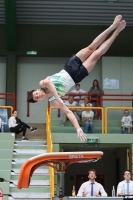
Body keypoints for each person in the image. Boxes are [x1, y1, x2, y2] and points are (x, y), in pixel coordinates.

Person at [27, 15, 126, 142]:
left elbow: (50, 83)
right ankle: (116, 32)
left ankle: (112, 26)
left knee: (92, 47)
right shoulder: (54, 102)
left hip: (69, 67)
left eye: (36, 93)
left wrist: (58, 97)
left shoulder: (42, 84)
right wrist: (78, 128)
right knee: (97, 54)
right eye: (37, 98)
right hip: (76, 77)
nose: (39, 95)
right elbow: (68, 113)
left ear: (37, 89)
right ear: (39, 101)